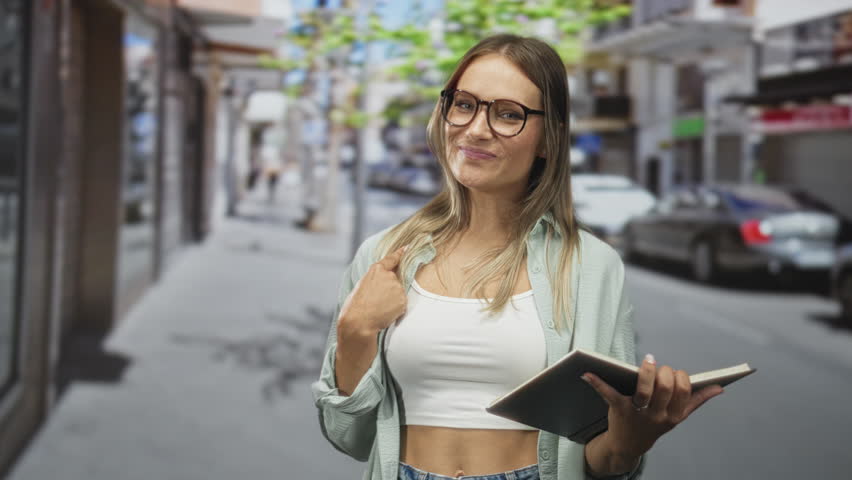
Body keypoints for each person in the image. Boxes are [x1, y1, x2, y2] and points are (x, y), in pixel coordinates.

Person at [312, 34, 724, 480]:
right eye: (464, 104)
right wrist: (355, 331)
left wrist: (631, 440)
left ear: (548, 140)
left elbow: (605, 460)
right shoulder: (383, 255)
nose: (475, 128)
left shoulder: (592, 266)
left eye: (509, 114)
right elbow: (348, 437)